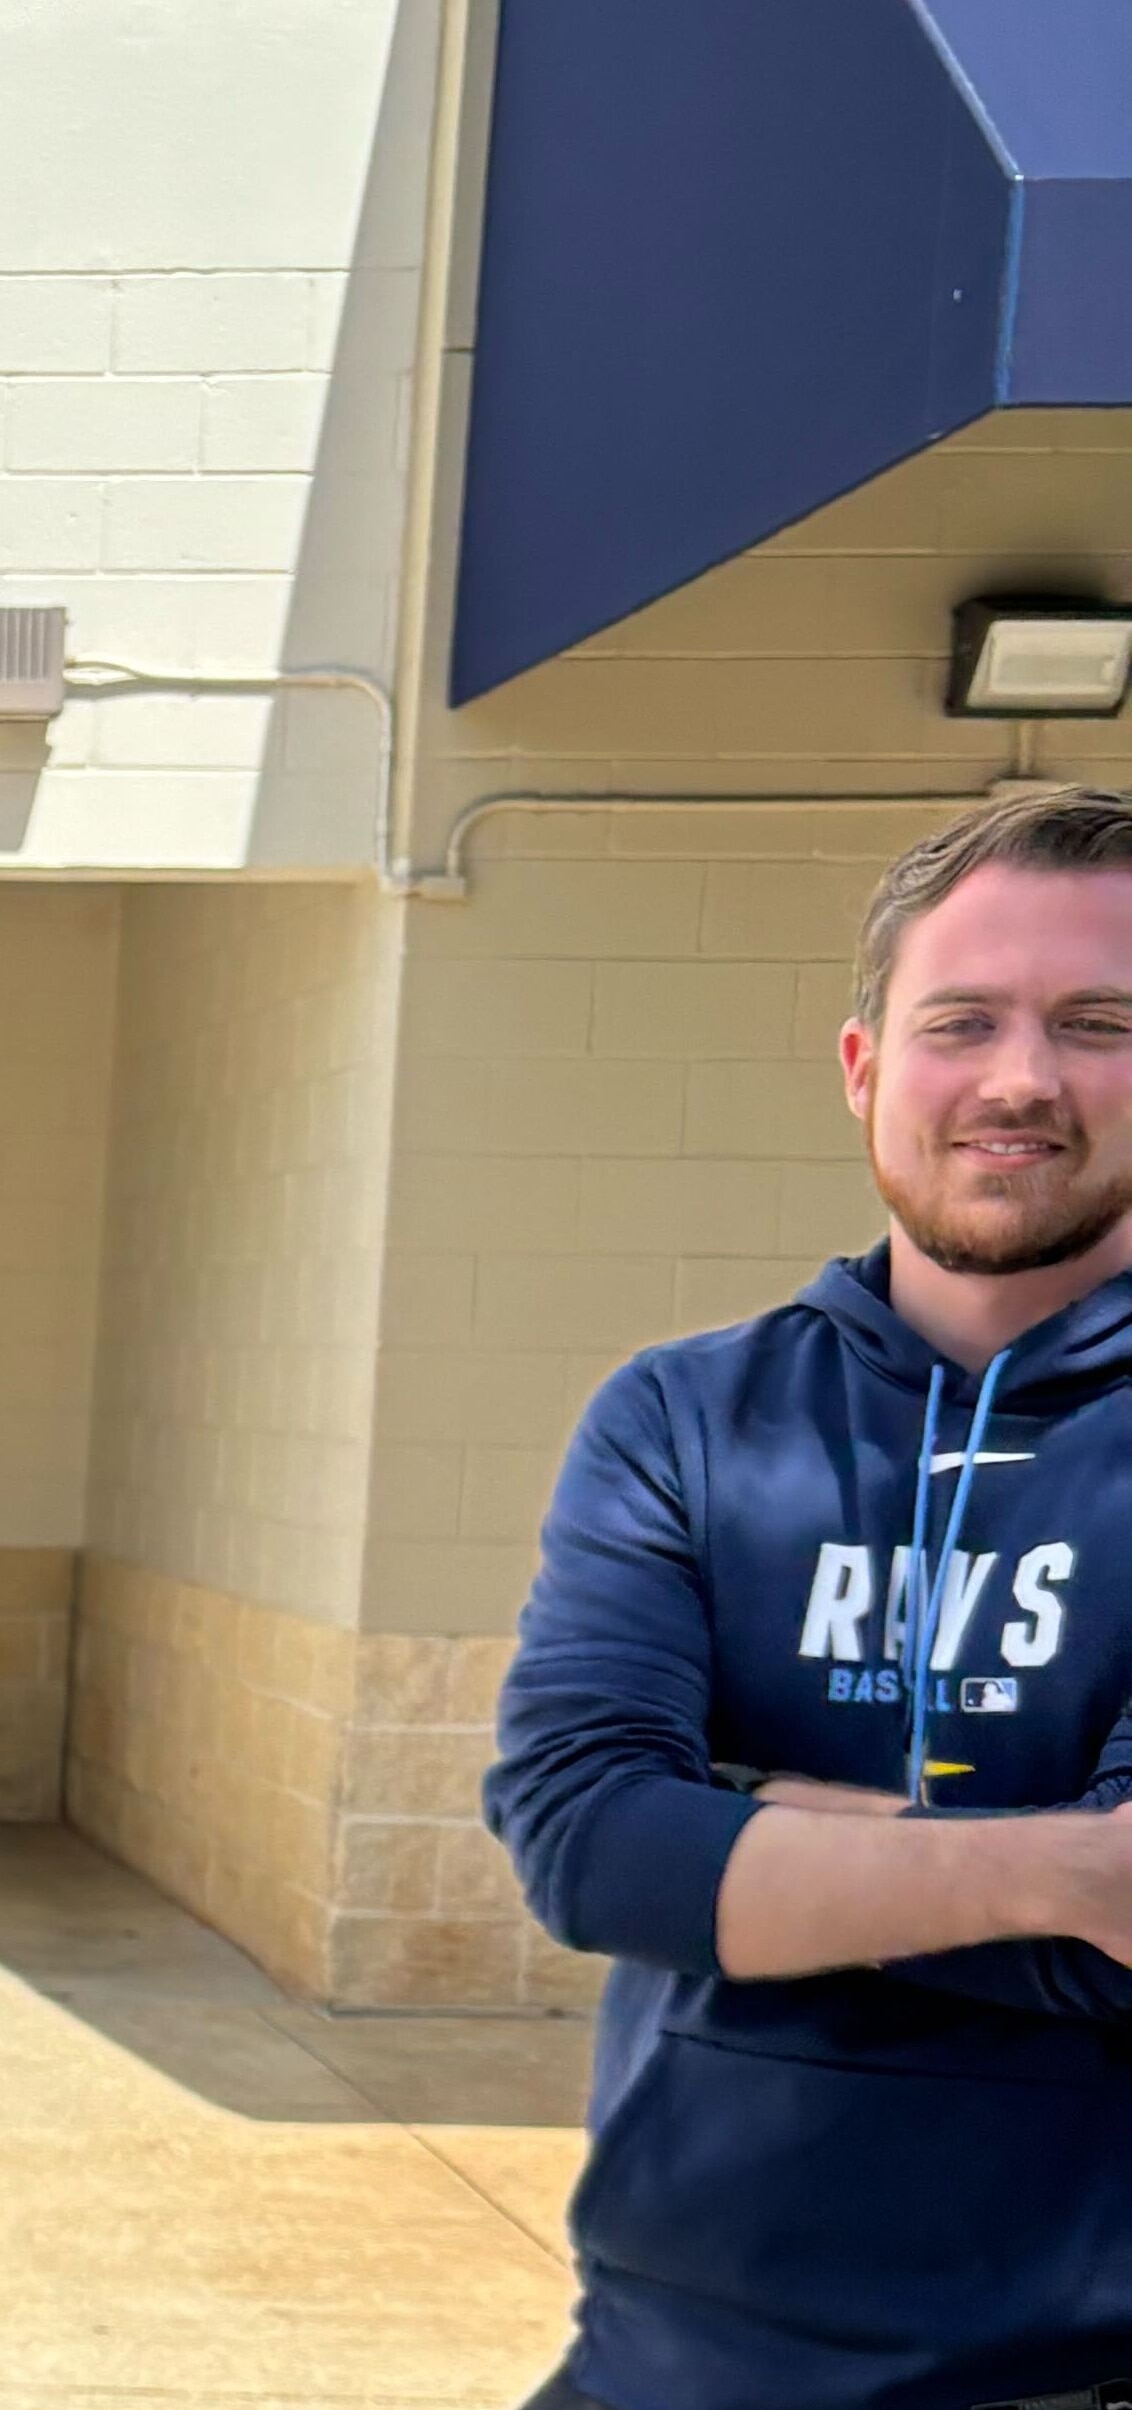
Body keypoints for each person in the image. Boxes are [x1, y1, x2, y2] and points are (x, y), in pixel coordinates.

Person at [487, 785, 1132, 2410]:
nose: (1020, 1079)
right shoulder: (688, 1419)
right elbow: (592, 1847)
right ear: (866, 1069)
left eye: (1098, 1022)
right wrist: (1070, 1863)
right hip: (663, 2362)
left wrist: (753, 1826)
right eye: (961, 1019)